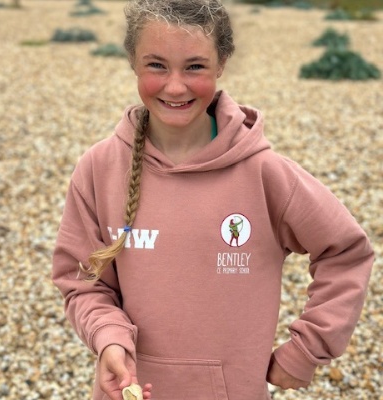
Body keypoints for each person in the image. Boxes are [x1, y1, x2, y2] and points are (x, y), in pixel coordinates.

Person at [52, 0, 374, 399]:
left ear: (221, 63)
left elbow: (346, 252)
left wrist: (307, 349)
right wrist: (108, 338)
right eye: (156, 65)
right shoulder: (98, 169)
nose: (175, 86)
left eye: (194, 66)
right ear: (133, 61)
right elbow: (82, 280)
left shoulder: (265, 173)